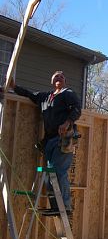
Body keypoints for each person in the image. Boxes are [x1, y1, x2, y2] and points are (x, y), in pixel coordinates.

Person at [10, 71, 81, 214]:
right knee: (50, 174)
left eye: (62, 76)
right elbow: (30, 95)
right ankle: (56, 206)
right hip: (50, 140)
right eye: (56, 76)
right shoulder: (45, 97)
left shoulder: (68, 93)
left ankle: (65, 206)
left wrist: (67, 123)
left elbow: (77, 109)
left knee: (59, 172)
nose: (59, 77)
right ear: (51, 81)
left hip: (64, 138)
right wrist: (14, 87)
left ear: (65, 81)